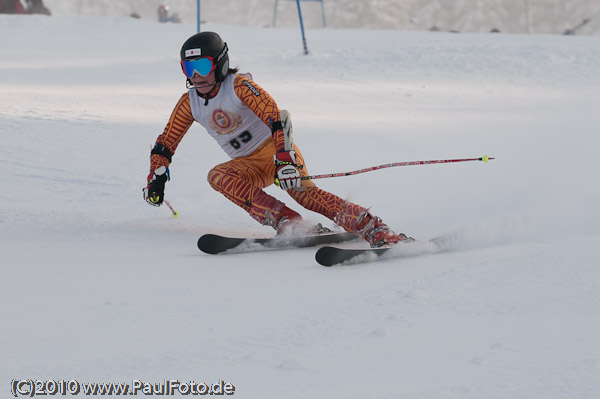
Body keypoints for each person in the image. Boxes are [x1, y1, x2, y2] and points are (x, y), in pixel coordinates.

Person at [143, 32, 410, 248]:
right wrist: (155, 176)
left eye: (203, 66)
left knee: (306, 196)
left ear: (220, 64)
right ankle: (288, 222)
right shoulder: (189, 103)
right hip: (248, 164)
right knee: (218, 176)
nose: (197, 75)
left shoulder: (238, 86)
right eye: (189, 68)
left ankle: (375, 229)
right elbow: (166, 142)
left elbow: (276, 118)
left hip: (275, 153)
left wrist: (285, 159)